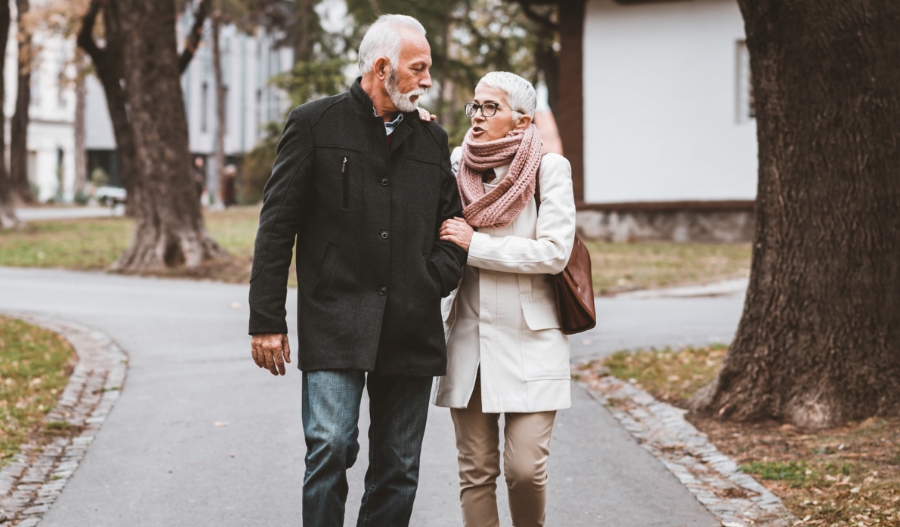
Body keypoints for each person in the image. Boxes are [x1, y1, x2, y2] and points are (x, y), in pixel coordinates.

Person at [247, 14, 466, 527]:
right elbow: (277, 227)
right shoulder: (314, 124)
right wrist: (266, 319)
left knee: (399, 466)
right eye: (419, 68)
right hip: (335, 314)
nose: (427, 81)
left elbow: (452, 222)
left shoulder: (432, 140)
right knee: (330, 445)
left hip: (411, 321)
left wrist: (434, 276)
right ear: (383, 67)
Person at [433, 71, 577, 527]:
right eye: (474, 106)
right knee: (475, 473)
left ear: (520, 121)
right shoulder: (457, 163)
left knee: (525, 470)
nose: (477, 116)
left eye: (490, 107)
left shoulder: (549, 169)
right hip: (470, 340)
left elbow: (554, 254)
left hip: (531, 340)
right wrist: (414, 124)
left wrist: (474, 245)